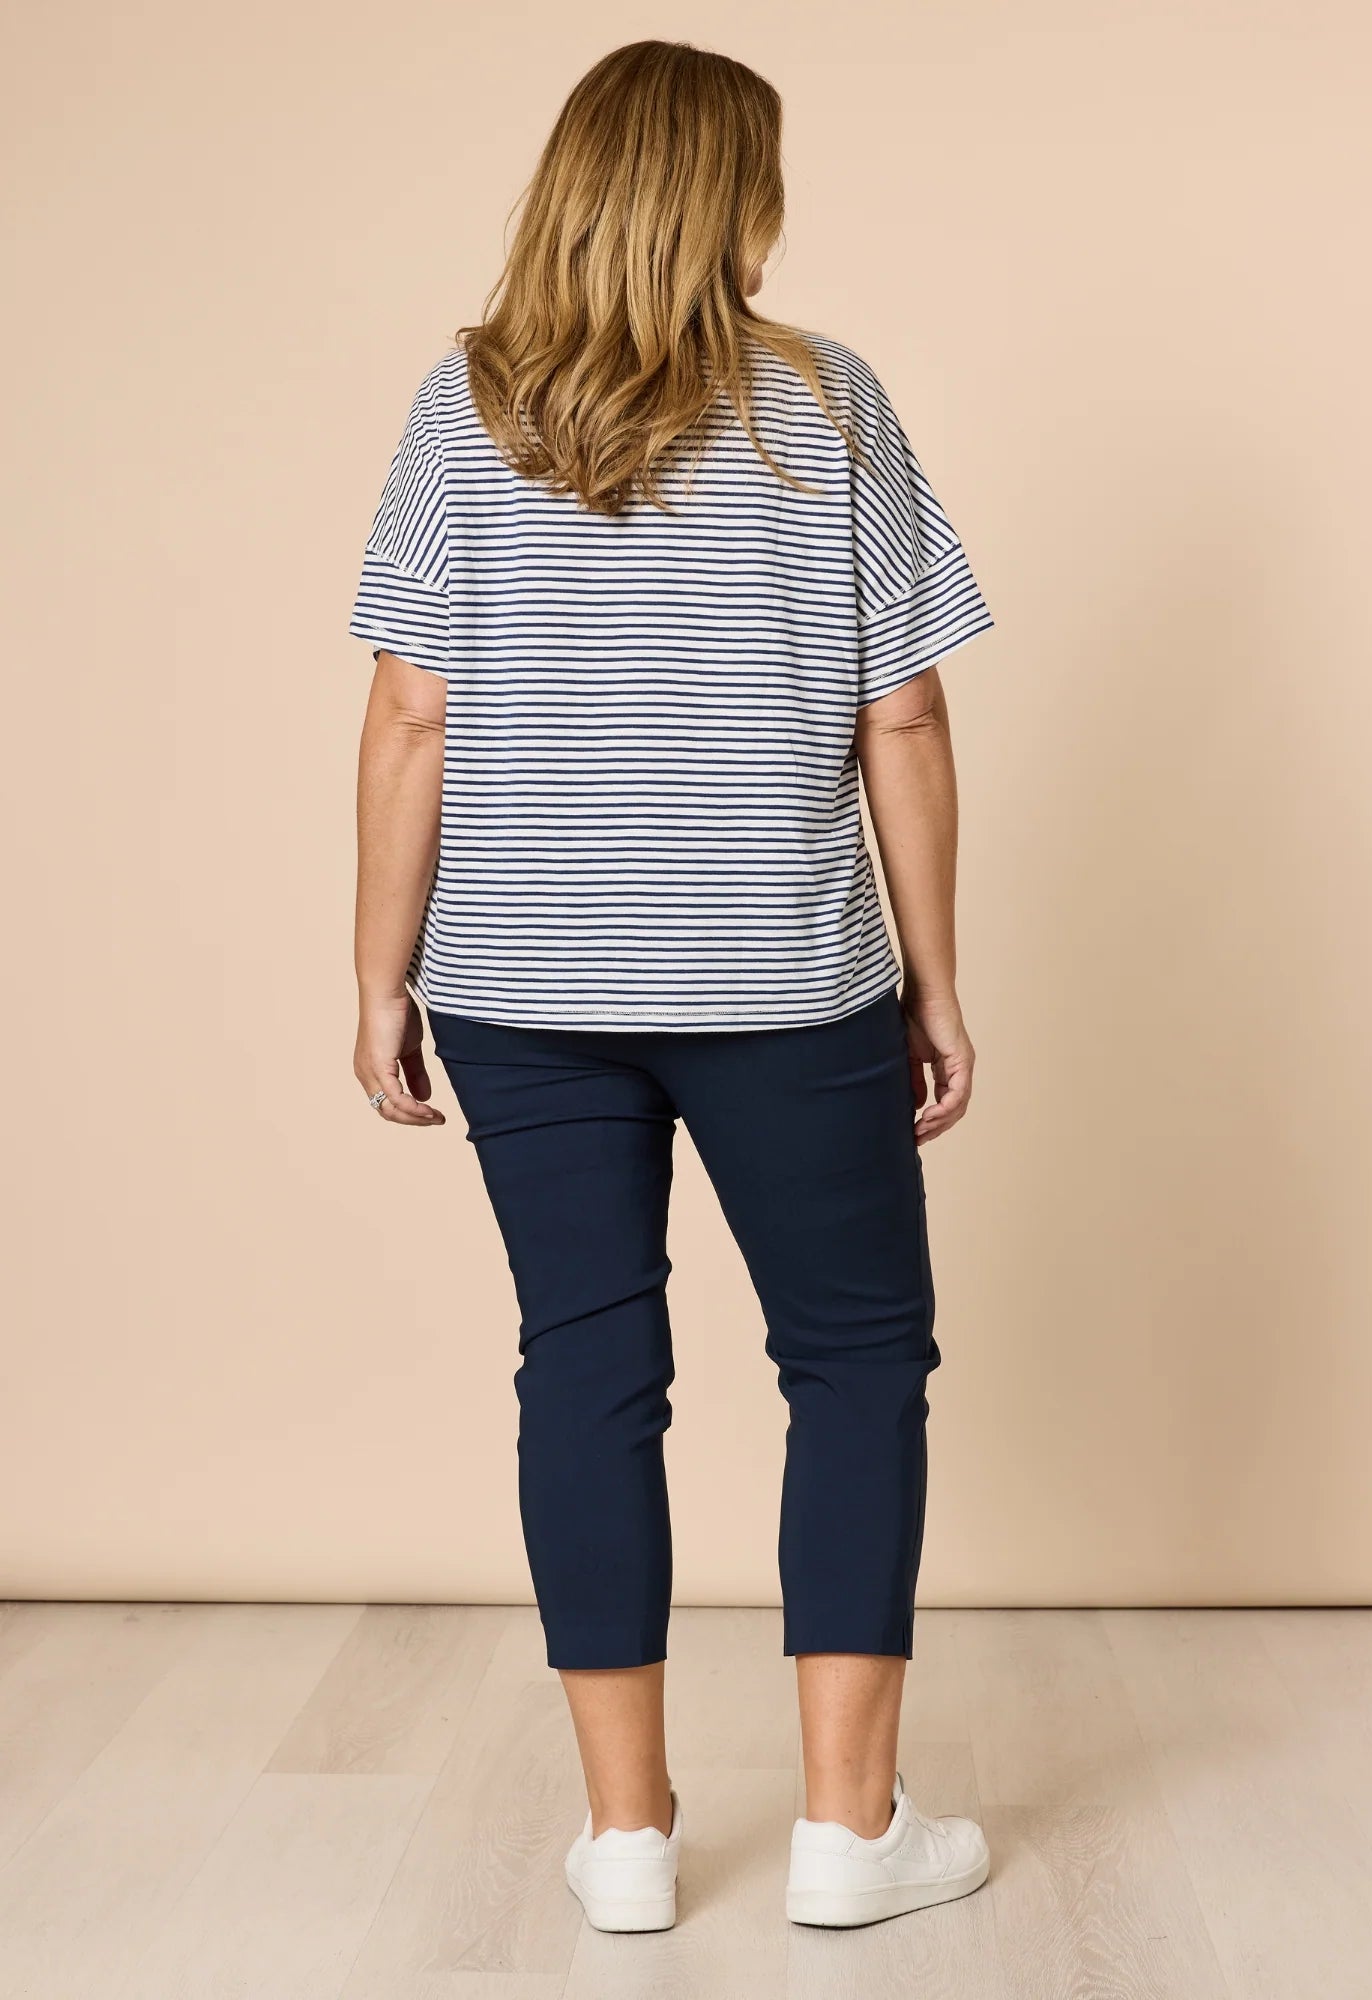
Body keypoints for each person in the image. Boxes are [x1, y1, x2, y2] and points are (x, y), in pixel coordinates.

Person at [349, 39, 994, 1934]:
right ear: (736, 202)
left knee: (587, 1361)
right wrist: (936, 982)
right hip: (783, 975)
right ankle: (848, 1836)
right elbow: (905, 714)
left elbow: (409, 711)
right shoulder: (830, 402)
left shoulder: (464, 406)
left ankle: (628, 1843)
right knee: (855, 1359)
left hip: (520, 980)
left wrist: (378, 975)